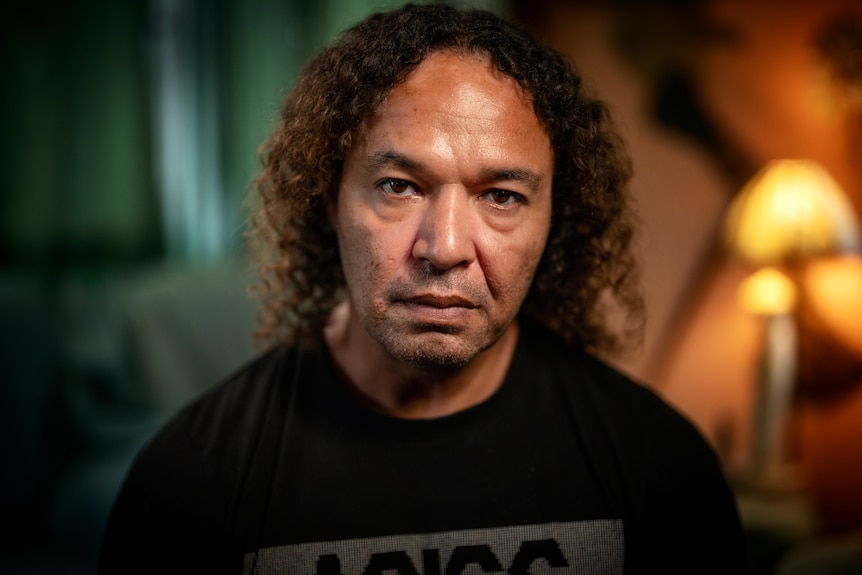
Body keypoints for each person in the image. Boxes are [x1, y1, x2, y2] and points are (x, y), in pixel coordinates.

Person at [98, 4, 749, 574]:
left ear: (556, 217)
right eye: (400, 186)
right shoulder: (193, 480)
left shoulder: (658, 470)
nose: (444, 248)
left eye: (501, 196)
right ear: (330, 198)